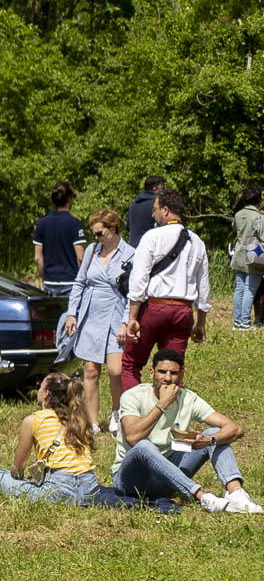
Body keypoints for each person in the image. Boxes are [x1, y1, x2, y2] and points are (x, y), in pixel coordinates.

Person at [111, 349, 256, 512]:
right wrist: (162, 404)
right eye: (162, 372)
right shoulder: (132, 396)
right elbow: (133, 437)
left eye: (173, 373)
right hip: (130, 481)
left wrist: (209, 440)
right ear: (151, 373)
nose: (167, 378)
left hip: (168, 478)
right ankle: (202, 497)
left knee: (214, 433)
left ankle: (236, 495)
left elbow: (235, 429)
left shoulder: (188, 398)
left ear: (181, 375)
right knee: (144, 446)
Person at [118, 187, 210, 387]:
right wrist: (201, 322)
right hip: (183, 311)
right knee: (172, 369)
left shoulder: (152, 237)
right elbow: (204, 288)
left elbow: (138, 280)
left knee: (130, 364)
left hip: (154, 308)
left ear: (166, 211)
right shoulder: (198, 242)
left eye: (155, 209)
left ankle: (135, 416)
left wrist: (132, 318)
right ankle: (169, 416)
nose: (153, 214)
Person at [60, 207, 133, 432]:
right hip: (90, 315)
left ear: (112, 230)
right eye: (94, 234)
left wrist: (126, 321)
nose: (97, 238)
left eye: (100, 233)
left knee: (115, 370)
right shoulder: (92, 251)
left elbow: (135, 291)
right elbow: (79, 283)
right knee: (90, 371)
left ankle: (116, 413)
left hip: (115, 313)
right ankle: (92, 422)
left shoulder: (130, 253)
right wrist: (72, 312)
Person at [0, 373, 100, 505]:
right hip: (90, 491)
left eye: (39, 387)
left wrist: (24, 481)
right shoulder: (79, 419)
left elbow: (17, 469)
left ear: (46, 394)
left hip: (58, 490)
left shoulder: (34, 420)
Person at [32, 182, 85, 297]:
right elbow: (80, 258)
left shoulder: (41, 224)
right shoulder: (75, 223)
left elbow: (38, 259)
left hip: (50, 282)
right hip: (71, 282)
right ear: (70, 199)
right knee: (70, 315)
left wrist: (45, 277)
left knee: (52, 315)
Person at [230, 184, 263, 331]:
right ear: (258, 199)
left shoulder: (238, 214)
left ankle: (237, 322)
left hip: (239, 254)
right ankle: (245, 322)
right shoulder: (259, 217)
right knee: (250, 290)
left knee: (239, 289)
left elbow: (235, 230)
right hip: (254, 256)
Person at [126, 174, 164, 247]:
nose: (164, 192)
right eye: (163, 188)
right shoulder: (156, 204)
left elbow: (128, 227)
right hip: (149, 249)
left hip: (132, 249)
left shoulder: (134, 204)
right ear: (155, 188)